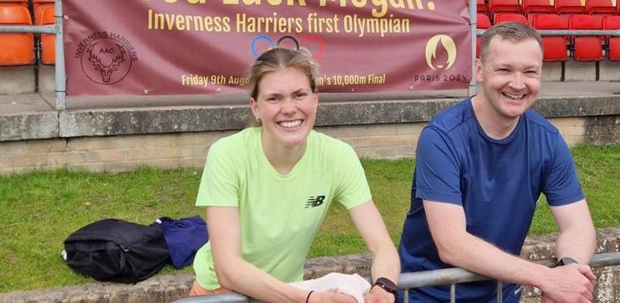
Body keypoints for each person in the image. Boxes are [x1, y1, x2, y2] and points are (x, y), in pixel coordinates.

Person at [398, 22, 597, 302]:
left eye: (530, 72)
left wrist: (569, 269)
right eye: (504, 70)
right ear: (479, 70)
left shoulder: (548, 139)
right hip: (432, 295)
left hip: (500, 295)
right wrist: (546, 278)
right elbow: (452, 244)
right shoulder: (442, 137)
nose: (517, 84)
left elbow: (579, 226)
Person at [191, 47, 400, 302]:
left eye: (299, 94)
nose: (289, 108)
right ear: (255, 107)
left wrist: (384, 287)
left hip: (287, 291)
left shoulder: (339, 156)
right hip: (223, 295)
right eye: (274, 98)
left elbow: (383, 247)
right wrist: (312, 299)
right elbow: (228, 269)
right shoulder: (227, 155)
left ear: (315, 99)